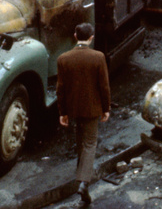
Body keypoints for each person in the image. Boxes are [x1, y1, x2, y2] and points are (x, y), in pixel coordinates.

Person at [56, 23, 111, 205]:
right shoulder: (98, 57)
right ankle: (83, 182)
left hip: (73, 109)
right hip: (92, 109)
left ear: (74, 36)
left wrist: (63, 112)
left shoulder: (64, 59)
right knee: (89, 143)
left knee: (81, 141)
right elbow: (104, 86)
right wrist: (106, 108)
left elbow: (60, 89)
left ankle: (82, 180)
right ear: (91, 38)